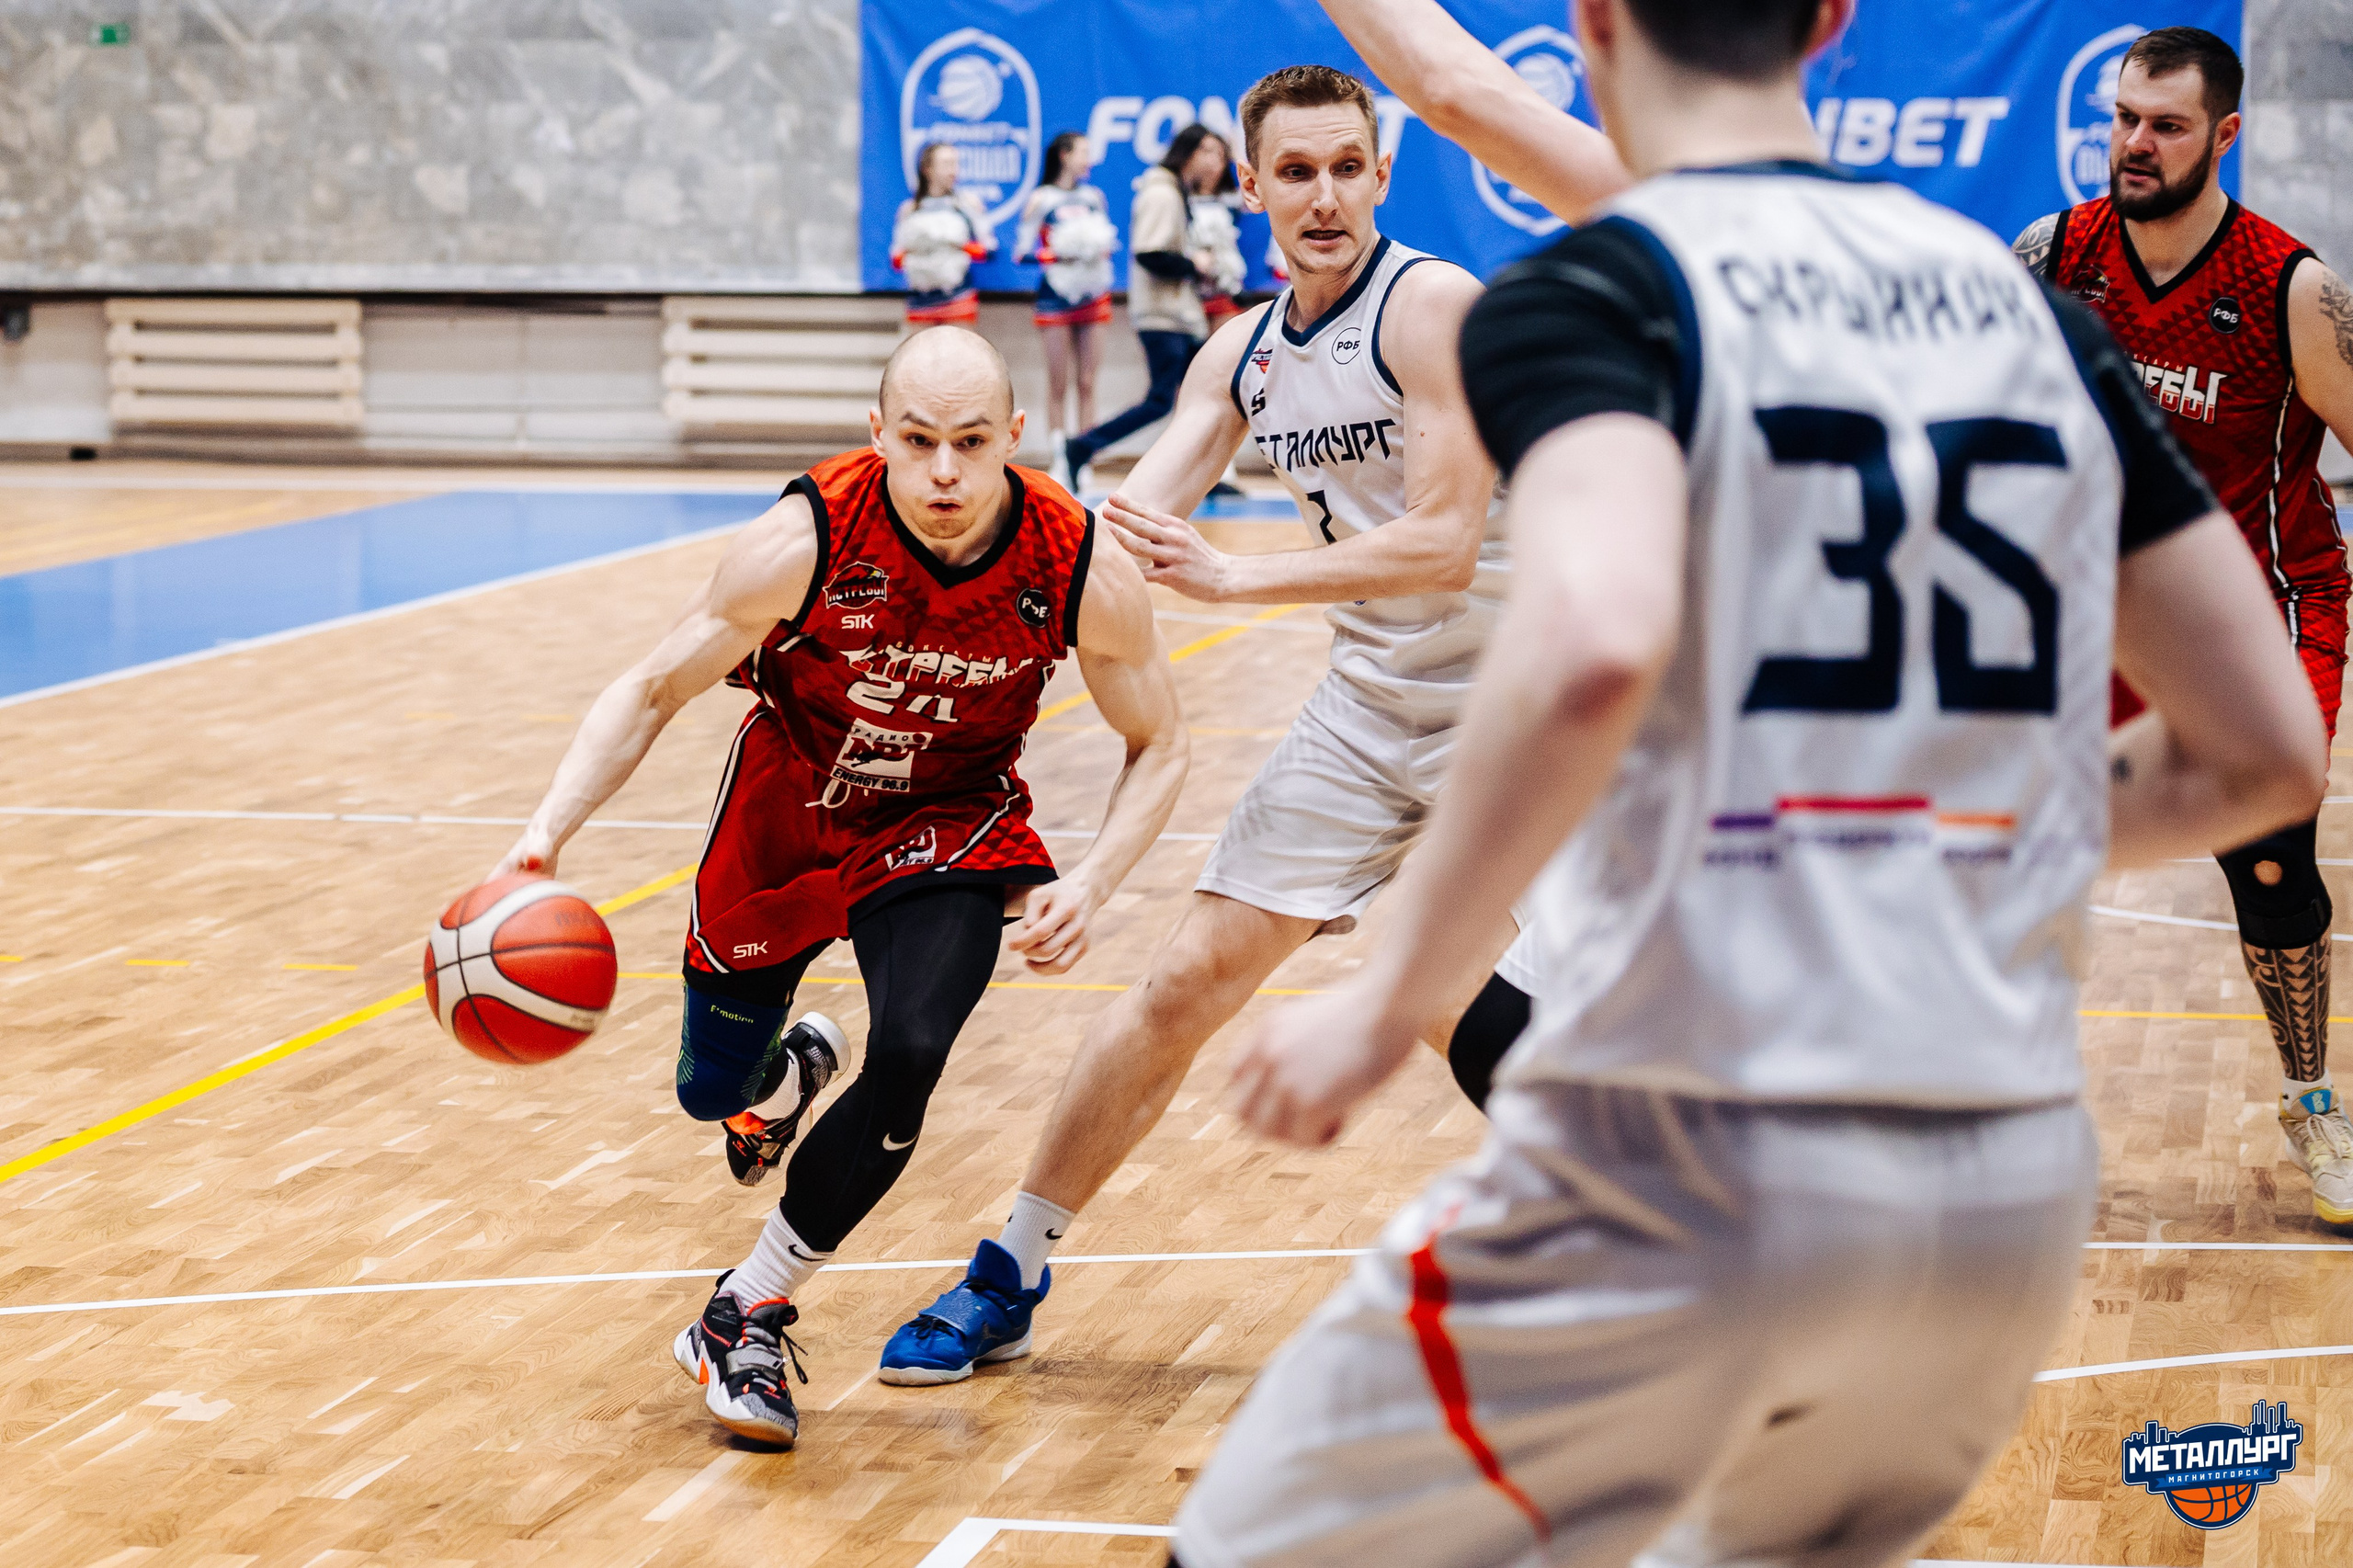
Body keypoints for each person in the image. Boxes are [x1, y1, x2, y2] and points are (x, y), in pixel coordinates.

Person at [1169, 0, 2327, 1561]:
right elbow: (2265, 748)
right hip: (2003, 1189)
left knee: (1242, 1539)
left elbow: (1586, 645)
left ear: (1589, 25)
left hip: (1703, 1147)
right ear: (1835, 19)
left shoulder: (1607, 287)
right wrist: (1946, 831)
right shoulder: (2023, 309)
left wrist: (1391, 1001)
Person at [874, 62, 1623, 1387]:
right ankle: (1014, 1265)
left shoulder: (1432, 304)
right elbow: (1108, 535)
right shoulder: (1246, 350)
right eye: (1296, 170)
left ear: (1383, 175)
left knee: (1445, 984)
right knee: (1181, 982)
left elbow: (1446, 540)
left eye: (1348, 167)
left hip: (1526, 703)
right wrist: (957, 594)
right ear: (1256, 184)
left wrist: (1240, 576)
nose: (1323, 195)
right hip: (1374, 705)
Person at [491, 327, 1188, 1449]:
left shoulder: (1074, 562)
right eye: (919, 443)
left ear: (1016, 438)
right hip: (790, 799)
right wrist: (540, 839)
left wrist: (1096, 881)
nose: (946, 473)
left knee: (912, 1047)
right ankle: (776, 1081)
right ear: (878, 438)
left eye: (971, 442)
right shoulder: (801, 541)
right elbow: (652, 686)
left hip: (947, 817)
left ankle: (747, 1306)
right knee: (706, 1088)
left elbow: (1160, 740)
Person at [2013, 27, 2353, 1230]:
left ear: (2225, 134)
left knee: (2269, 856)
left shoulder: (2289, 287)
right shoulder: (2058, 254)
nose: (2135, 144)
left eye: (2163, 125)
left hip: (2267, 612)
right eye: (2123, 120)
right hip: (2098, 613)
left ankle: (2313, 1103)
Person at [1061, 125, 1235, 489]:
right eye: (1211, 153)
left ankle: (1201, 472)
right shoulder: (1162, 193)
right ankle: (1081, 446)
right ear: (1191, 152)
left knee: (1200, 398)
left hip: (1180, 314)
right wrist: (1195, 264)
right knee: (1163, 401)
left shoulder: (1175, 191)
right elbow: (1150, 253)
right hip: (1163, 315)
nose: (1218, 163)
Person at [1017, 131, 1120, 480]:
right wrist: (1059, 253)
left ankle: (1084, 456)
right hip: (1055, 296)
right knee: (1058, 382)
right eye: (1083, 152)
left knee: (1088, 381)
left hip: (1093, 295)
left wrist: (1095, 250)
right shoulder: (1041, 199)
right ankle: (1060, 456)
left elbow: (1108, 242)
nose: (1089, 160)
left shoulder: (1095, 198)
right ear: (1064, 155)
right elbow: (1022, 251)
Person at [891, 143, 996, 327]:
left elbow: (989, 249)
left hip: (957, 296)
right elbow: (896, 258)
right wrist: (917, 250)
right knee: (920, 355)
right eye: (947, 164)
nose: (953, 171)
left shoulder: (968, 204)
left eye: (956, 164)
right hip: (919, 299)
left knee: (958, 354)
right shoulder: (909, 210)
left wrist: (958, 245)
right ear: (927, 169)